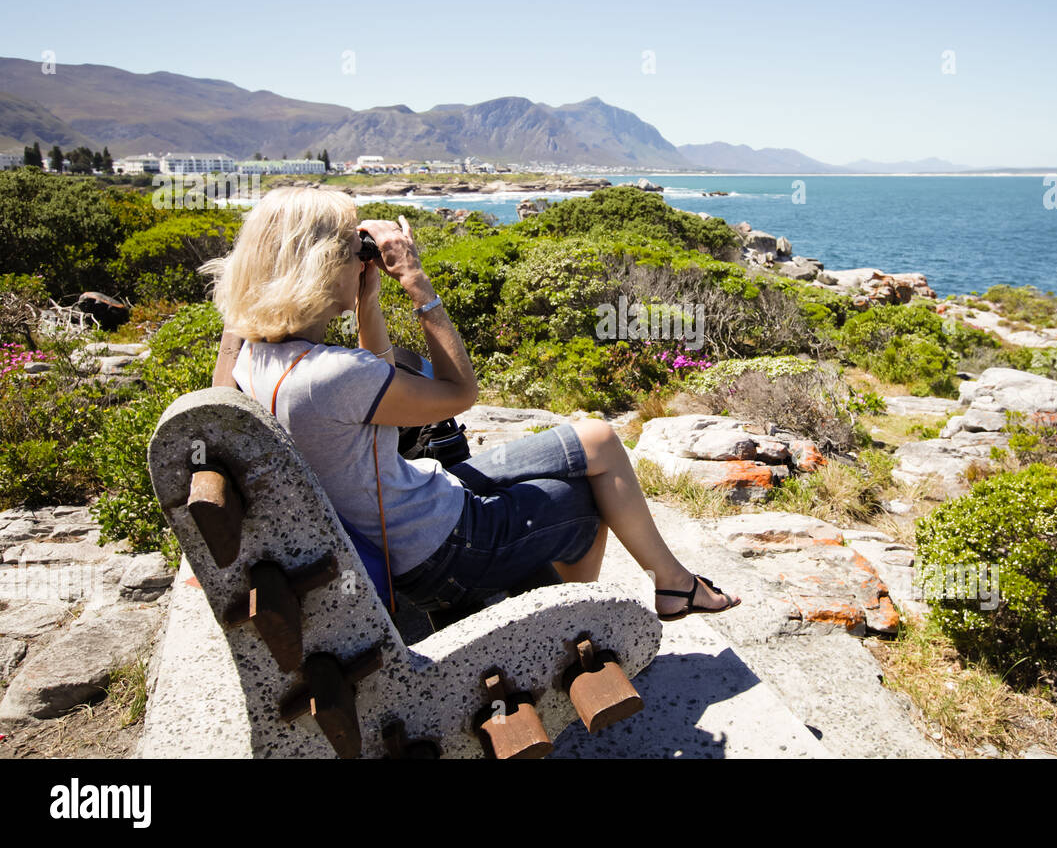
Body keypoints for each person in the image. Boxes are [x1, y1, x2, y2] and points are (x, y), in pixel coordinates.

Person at [201, 187, 739, 621]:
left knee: (597, 437)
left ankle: (671, 583)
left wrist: (366, 297)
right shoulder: (329, 375)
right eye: (352, 250)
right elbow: (459, 394)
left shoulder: (254, 359)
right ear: (318, 265)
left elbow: (378, 380)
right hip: (439, 551)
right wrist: (415, 282)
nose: (360, 260)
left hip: (416, 504)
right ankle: (570, 622)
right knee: (584, 499)